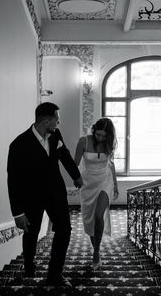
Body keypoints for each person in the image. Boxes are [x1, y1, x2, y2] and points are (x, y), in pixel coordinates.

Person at [7, 102, 83, 286]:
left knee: (64, 230)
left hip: (56, 194)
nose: (59, 122)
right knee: (31, 233)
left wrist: (76, 176)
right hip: (31, 197)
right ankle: (29, 265)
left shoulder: (55, 134)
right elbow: (13, 180)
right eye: (56, 119)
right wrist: (17, 212)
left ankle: (55, 274)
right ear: (46, 120)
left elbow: (64, 155)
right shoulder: (19, 144)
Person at [74, 117, 118, 270]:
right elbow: (74, 165)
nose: (101, 138)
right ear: (94, 131)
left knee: (99, 215)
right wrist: (76, 179)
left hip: (105, 181)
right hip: (88, 184)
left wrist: (116, 184)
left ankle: (96, 253)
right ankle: (96, 249)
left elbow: (111, 164)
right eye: (98, 135)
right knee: (91, 220)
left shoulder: (108, 143)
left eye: (104, 136)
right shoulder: (83, 142)